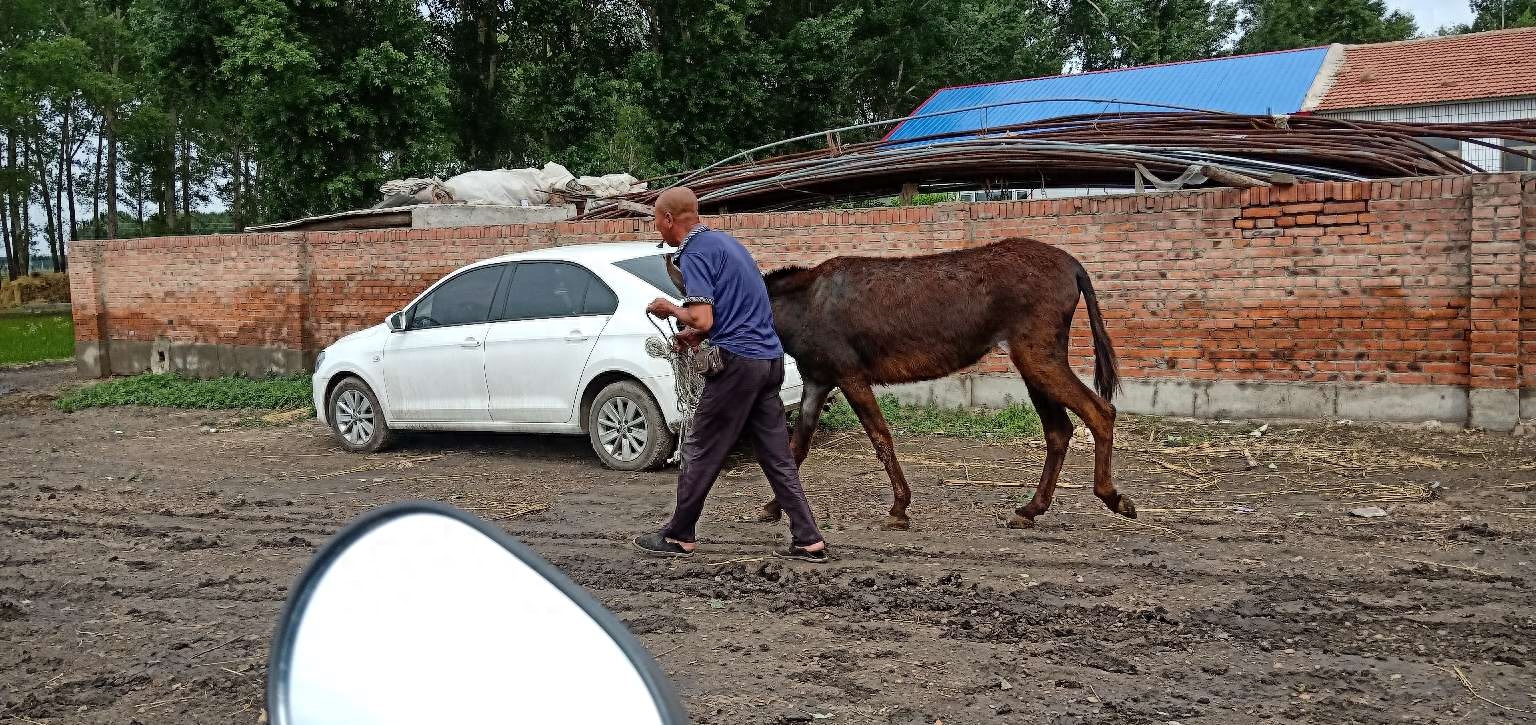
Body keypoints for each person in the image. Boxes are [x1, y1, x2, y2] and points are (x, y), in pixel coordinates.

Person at [633, 187, 830, 563]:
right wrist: (696, 333)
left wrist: (671, 309)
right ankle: (808, 539)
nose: (655, 225)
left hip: (738, 365)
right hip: (768, 361)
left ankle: (679, 535)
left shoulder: (693, 254)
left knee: (700, 448)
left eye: (656, 218)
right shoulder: (727, 245)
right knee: (776, 456)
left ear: (669, 219)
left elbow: (702, 315)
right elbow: (734, 311)